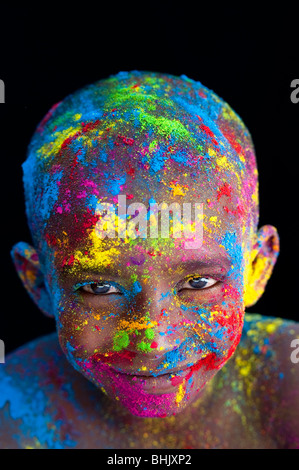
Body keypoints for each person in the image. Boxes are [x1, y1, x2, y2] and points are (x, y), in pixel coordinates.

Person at [1, 71, 298, 449]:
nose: (154, 341)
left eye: (199, 283)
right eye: (100, 288)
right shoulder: (10, 416)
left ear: (258, 267)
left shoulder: (290, 391)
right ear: (39, 283)